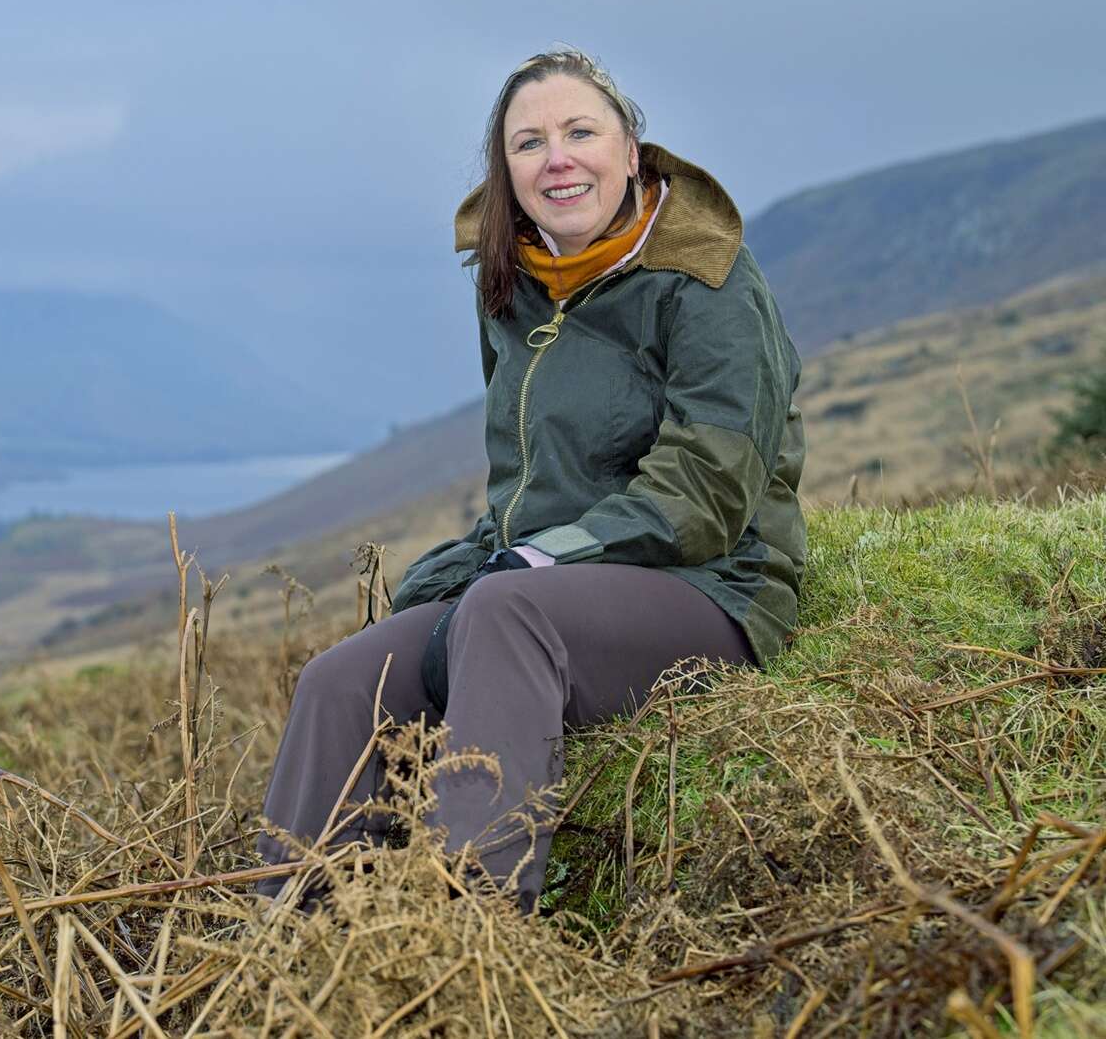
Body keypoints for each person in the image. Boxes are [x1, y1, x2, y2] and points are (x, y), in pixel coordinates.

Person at [254, 46, 805, 916]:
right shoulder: (513, 286)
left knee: (503, 611)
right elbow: (523, 487)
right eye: (529, 142)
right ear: (505, 171)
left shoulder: (707, 281)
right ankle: (293, 946)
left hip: (708, 586)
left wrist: (535, 563)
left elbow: (707, 494)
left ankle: (478, 941)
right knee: (339, 680)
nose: (557, 158)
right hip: (546, 585)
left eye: (580, 132)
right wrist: (464, 573)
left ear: (631, 151)